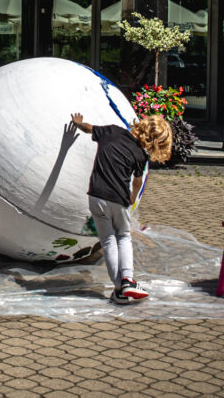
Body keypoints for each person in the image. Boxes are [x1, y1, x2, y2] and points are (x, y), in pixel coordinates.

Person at [69, 112, 172, 305]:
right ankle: (127, 280)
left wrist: (78, 124)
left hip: (96, 196)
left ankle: (119, 290)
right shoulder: (141, 155)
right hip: (118, 199)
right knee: (123, 237)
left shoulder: (112, 132)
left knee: (108, 241)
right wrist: (132, 200)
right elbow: (137, 182)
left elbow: (89, 128)